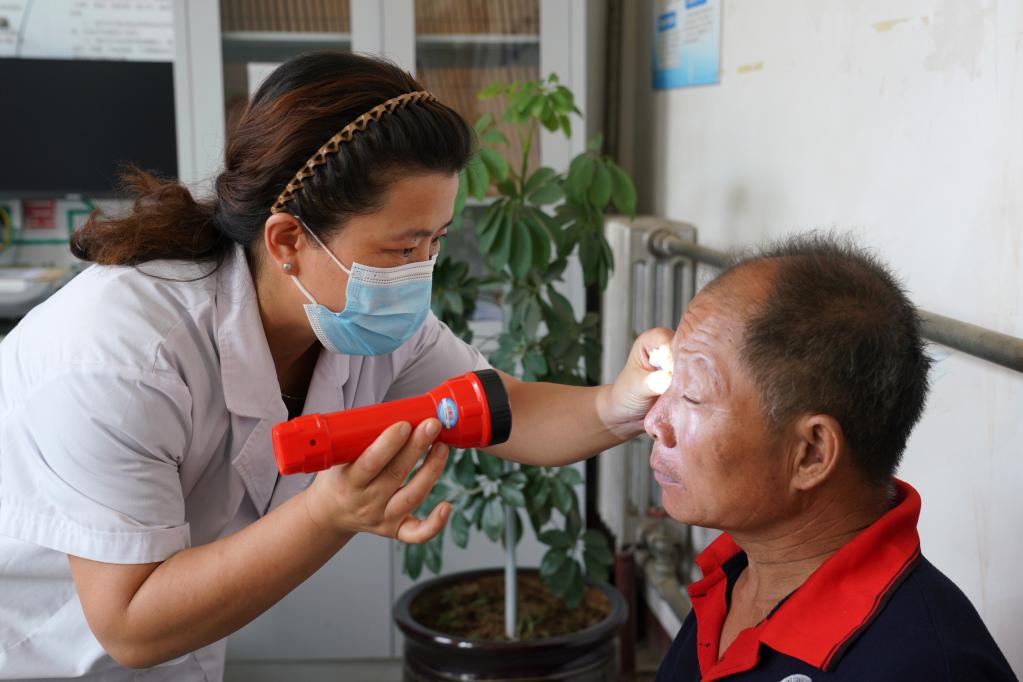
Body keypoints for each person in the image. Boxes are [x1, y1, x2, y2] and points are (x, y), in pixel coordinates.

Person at [0, 51, 670, 679]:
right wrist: (328, 515)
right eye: (401, 248)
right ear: (289, 239)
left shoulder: (358, 317)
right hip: (36, 650)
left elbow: (505, 408)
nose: (420, 274)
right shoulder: (119, 357)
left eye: (433, 242)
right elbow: (130, 626)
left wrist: (619, 404)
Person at [646, 234, 1017, 681]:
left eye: (691, 395)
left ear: (810, 453)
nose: (654, 422)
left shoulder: (921, 665)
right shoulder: (740, 569)